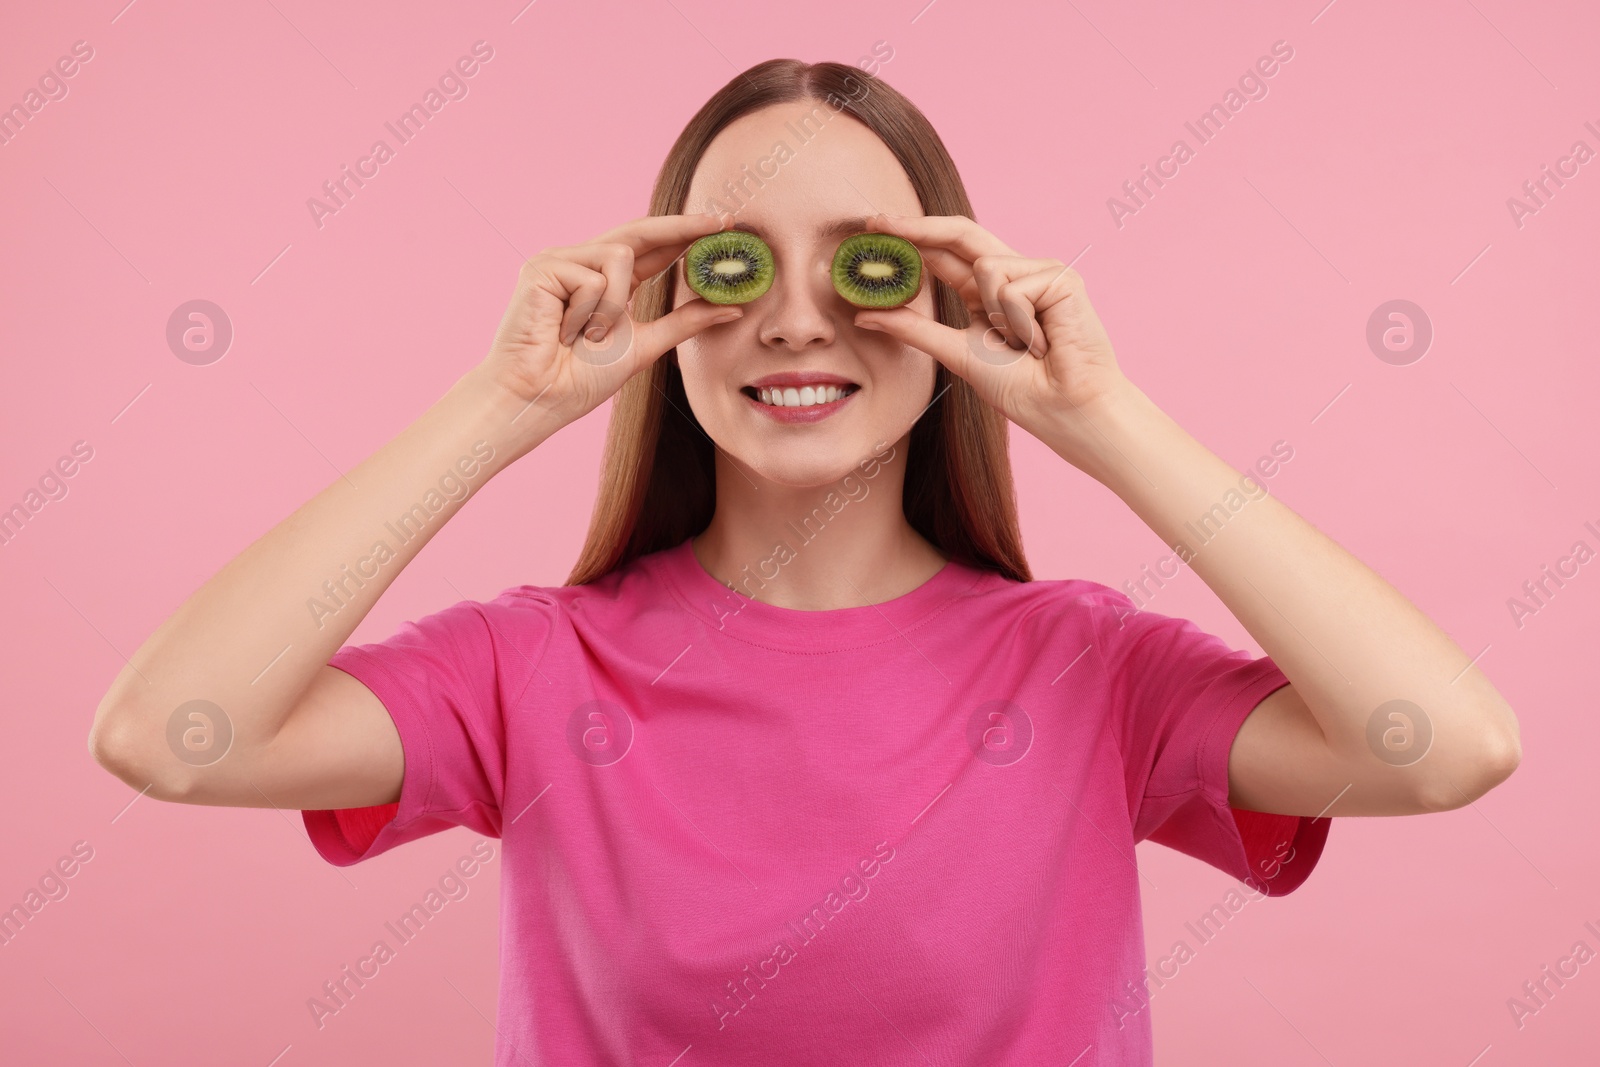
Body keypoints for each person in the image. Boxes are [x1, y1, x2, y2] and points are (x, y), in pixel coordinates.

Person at [88, 58, 1521, 1064]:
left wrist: (1107, 420)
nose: (793, 320)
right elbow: (171, 735)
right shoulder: (534, 666)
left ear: (949, 302)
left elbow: (1445, 747)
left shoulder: (1089, 671)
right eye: (732, 264)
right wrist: (501, 407)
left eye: (864, 266)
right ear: (667, 304)